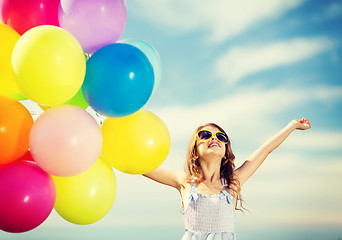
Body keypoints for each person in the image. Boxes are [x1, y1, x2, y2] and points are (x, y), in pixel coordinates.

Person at [143, 118, 311, 240]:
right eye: (205, 134)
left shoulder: (233, 182)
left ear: (225, 154)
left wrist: (293, 125)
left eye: (221, 137)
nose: (214, 138)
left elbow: (265, 149)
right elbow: (141, 167)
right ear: (194, 149)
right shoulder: (185, 182)